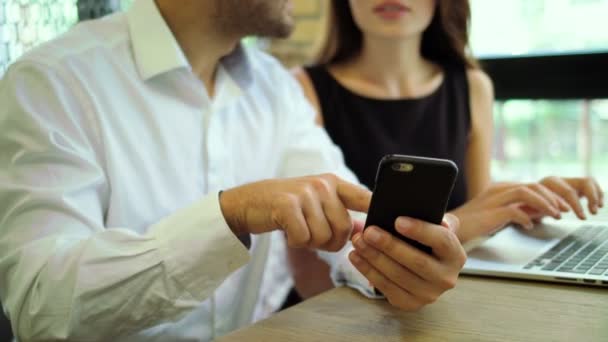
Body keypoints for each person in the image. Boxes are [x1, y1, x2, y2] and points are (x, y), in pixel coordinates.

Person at [0, 0, 467, 341]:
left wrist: (399, 266)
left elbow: (352, 227)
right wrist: (230, 215)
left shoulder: (275, 89)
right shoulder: (52, 82)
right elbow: (41, 305)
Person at [287, 0, 604, 300]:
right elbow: (308, 271)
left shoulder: (472, 85)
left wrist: (524, 203)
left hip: (442, 301)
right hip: (342, 309)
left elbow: (478, 229)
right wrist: (461, 221)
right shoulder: (301, 89)